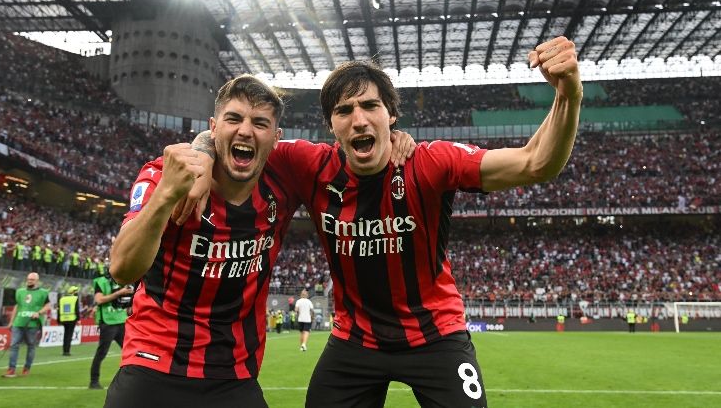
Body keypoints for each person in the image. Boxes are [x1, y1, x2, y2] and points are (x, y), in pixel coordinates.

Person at [188, 37, 582, 407]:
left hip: (436, 335)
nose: (358, 119)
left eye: (369, 106)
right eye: (344, 110)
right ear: (331, 126)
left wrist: (569, 93)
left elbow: (536, 162)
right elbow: (237, 136)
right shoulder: (308, 165)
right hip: (355, 341)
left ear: (390, 115)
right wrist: (202, 154)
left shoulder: (430, 162)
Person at [105, 74, 416, 408]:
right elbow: (122, 269)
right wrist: (167, 194)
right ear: (214, 126)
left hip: (234, 377)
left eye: (260, 123)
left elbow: (355, 158)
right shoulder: (165, 173)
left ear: (276, 137)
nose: (245, 130)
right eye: (234, 119)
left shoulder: (285, 180)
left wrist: (394, 137)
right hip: (152, 365)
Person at [89, 270, 132, 390]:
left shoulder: (124, 280)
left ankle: (129, 380)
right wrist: (119, 293)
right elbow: (99, 300)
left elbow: (125, 303)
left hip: (121, 320)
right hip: (108, 323)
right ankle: (93, 381)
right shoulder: (101, 281)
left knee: (131, 351)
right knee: (101, 353)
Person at [3, 272, 51, 377]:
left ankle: (27, 368)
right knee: (14, 345)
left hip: (33, 324)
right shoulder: (20, 291)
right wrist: (11, 321)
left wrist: (39, 313)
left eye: (32, 279)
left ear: (37, 281)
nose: (29, 281)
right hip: (18, 322)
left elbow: (48, 306)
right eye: (28, 279)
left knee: (31, 346)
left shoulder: (43, 292)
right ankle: (11, 369)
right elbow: (17, 306)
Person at [58, 286, 81, 356]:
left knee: (65, 335)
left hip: (63, 319)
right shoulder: (75, 299)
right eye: (76, 292)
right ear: (73, 292)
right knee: (69, 335)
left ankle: (64, 350)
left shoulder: (62, 299)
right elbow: (76, 309)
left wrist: (58, 319)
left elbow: (59, 309)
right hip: (71, 319)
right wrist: (78, 319)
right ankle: (67, 351)